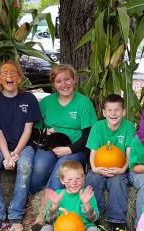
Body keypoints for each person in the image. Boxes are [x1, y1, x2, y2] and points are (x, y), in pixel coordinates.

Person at [0, 60, 42, 231]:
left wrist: (15, 154)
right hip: (1, 146)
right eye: (5, 74)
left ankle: (16, 214)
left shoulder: (29, 99)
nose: (9, 77)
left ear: (20, 77)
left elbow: (28, 129)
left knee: (24, 166)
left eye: (13, 73)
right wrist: (6, 156)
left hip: (24, 146)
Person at [18, 160, 101, 231]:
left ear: (83, 178)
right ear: (62, 180)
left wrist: (86, 204)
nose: (74, 182)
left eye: (78, 179)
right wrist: (54, 205)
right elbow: (48, 219)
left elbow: (94, 219)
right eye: (69, 179)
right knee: (47, 228)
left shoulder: (87, 194)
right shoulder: (58, 194)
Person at [29, 64, 97, 193]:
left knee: (61, 170)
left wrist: (69, 149)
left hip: (76, 148)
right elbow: (35, 131)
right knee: (39, 168)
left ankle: (47, 207)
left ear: (74, 80)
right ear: (53, 85)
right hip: (50, 147)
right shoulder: (45, 103)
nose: (64, 84)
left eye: (67, 79)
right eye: (59, 81)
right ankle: (32, 203)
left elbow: (89, 136)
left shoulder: (83, 103)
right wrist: (44, 133)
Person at [84, 94, 135, 231]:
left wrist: (123, 169)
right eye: (110, 110)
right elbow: (92, 153)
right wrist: (95, 168)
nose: (113, 114)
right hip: (99, 167)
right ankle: (96, 220)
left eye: (117, 110)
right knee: (92, 180)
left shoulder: (128, 127)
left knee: (118, 182)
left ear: (123, 112)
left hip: (119, 168)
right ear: (104, 112)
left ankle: (118, 225)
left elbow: (129, 152)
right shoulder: (98, 127)